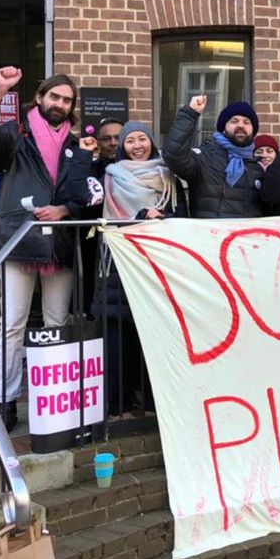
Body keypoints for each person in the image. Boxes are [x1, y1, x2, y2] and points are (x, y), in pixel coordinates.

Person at [0, 67, 96, 430]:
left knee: (57, 323)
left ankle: (54, 398)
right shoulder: (14, 135)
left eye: (66, 100)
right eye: (54, 96)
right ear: (40, 98)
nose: (59, 103)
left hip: (59, 243)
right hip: (17, 238)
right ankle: (6, 400)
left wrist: (66, 210)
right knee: (12, 324)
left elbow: (82, 194)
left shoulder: (76, 145)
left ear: (71, 108)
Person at [94, 121, 186, 418]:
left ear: (151, 142)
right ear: (122, 146)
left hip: (157, 266)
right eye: (130, 140)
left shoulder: (169, 176)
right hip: (119, 265)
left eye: (142, 139)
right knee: (119, 337)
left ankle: (151, 400)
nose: (137, 145)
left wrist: (164, 217)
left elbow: (181, 214)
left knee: (154, 336)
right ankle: (119, 402)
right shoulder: (109, 175)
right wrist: (139, 216)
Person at [162, 95, 269, 218]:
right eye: (234, 121)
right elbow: (174, 155)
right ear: (223, 127)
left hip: (243, 236)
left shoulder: (259, 166)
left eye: (246, 122)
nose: (241, 125)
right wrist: (189, 114)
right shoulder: (205, 157)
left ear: (253, 130)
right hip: (208, 235)